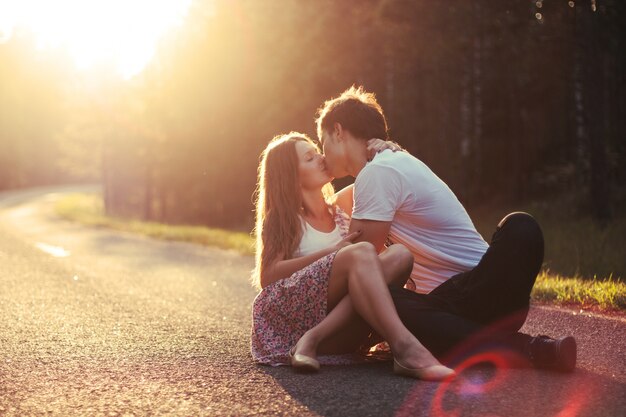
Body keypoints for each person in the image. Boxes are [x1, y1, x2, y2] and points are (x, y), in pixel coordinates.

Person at [314, 86, 577, 372]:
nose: (323, 154)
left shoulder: (378, 173)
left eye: (322, 142)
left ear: (338, 131)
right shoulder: (387, 167)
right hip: (479, 306)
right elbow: (334, 205)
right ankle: (530, 349)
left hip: (471, 294)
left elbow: (358, 263)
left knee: (373, 291)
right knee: (383, 295)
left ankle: (496, 345)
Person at [250, 132, 455, 381]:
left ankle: (313, 338)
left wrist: (384, 150)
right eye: (309, 158)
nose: (321, 158)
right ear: (290, 174)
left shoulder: (341, 204)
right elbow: (267, 276)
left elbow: (379, 174)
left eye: (317, 152)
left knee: (400, 255)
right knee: (359, 252)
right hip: (295, 322)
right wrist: (331, 252)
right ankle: (405, 347)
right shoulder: (282, 218)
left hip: (339, 333)